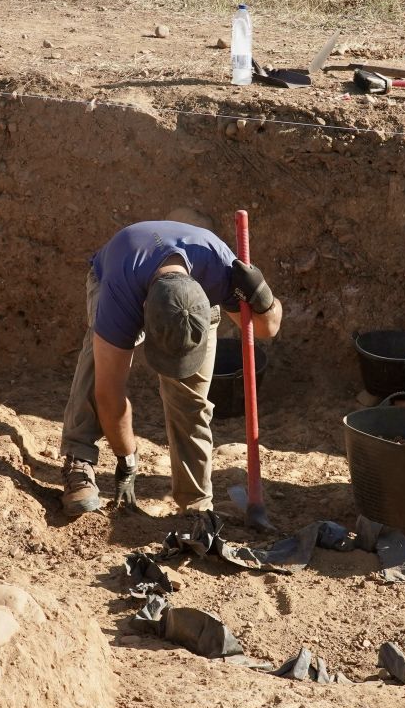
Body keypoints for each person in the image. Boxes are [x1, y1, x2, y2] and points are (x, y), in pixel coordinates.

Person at [59, 221, 282, 519]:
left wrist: (262, 296)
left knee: (191, 401)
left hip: (191, 286)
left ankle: (195, 505)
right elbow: (109, 394)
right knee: (97, 363)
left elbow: (266, 329)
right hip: (119, 273)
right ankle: (78, 457)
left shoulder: (221, 270)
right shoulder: (120, 296)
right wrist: (127, 460)